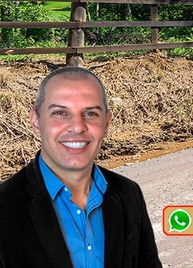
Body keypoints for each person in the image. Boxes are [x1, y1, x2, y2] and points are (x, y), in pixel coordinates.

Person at [0, 66, 162, 268]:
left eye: (90, 113)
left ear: (106, 123)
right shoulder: (4, 206)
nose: (77, 127)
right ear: (35, 121)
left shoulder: (129, 194)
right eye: (60, 112)